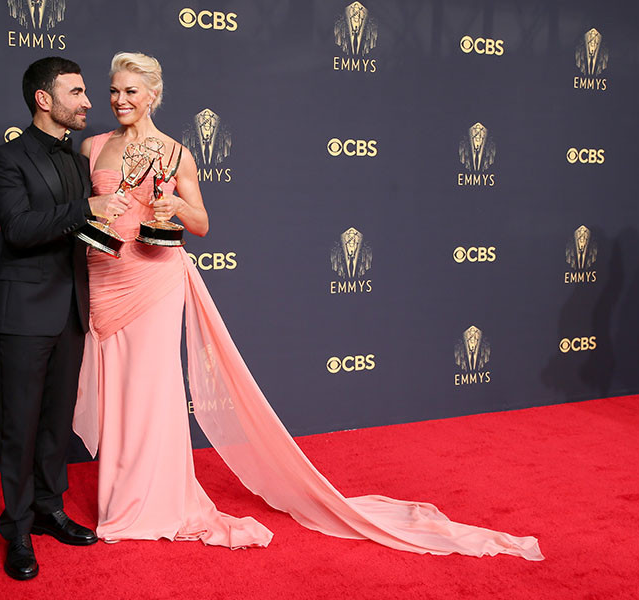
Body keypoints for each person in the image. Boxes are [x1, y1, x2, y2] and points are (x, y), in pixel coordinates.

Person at [73, 52, 544, 560]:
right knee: (115, 389)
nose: (120, 100)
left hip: (153, 279)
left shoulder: (176, 154)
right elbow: (80, 210)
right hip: (103, 278)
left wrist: (174, 208)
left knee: (151, 390)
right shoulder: (92, 146)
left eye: (131, 92)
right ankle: (118, 498)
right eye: (115, 90)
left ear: (154, 95)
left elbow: (203, 224)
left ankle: (151, 504)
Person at [0, 56, 129, 581]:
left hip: (71, 310)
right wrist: (90, 208)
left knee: (55, 422)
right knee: (20, 425)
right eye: (77, 92)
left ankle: (49, 508)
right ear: (44, 99)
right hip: (24, 313)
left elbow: (75, 230)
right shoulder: (4, 159)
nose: (89, 101)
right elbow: (19, 229)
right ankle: (17, 528)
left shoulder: (74, 159)